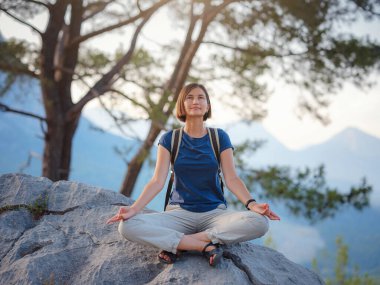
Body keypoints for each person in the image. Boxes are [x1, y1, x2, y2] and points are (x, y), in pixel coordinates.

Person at [106, 83, 280, 266]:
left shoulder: (219, 137)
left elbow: (232, 178)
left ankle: (183, 242)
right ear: (182, 105)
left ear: (208, 106)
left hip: (215, 215)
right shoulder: (169, 139)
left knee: (260, 222)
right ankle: (203, 246)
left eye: (200, 97)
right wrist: (133, 209)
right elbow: (157, 181)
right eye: (189, 97)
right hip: (178, 214)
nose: (195, 101)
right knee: (127, 226)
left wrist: (252, 204)